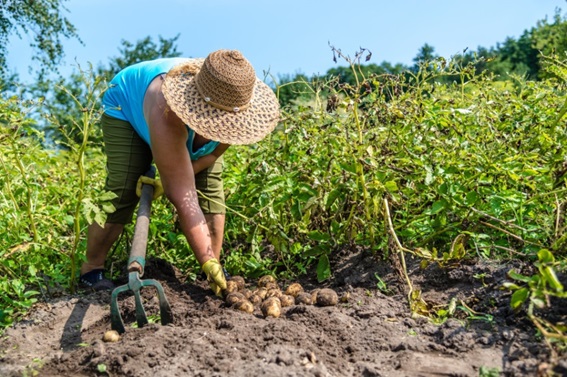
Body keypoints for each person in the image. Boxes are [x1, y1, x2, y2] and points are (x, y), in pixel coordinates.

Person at [79, 49, 280, 295]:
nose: (223, 125)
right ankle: (91, 269)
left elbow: (212, 154)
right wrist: (174, 181)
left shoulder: (237, 110)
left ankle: (210, 270)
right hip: (127, 107)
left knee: (210, 190)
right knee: (123, 187)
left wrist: (209, 263)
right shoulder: (166, 108)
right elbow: (185, 199)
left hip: (181, 117)